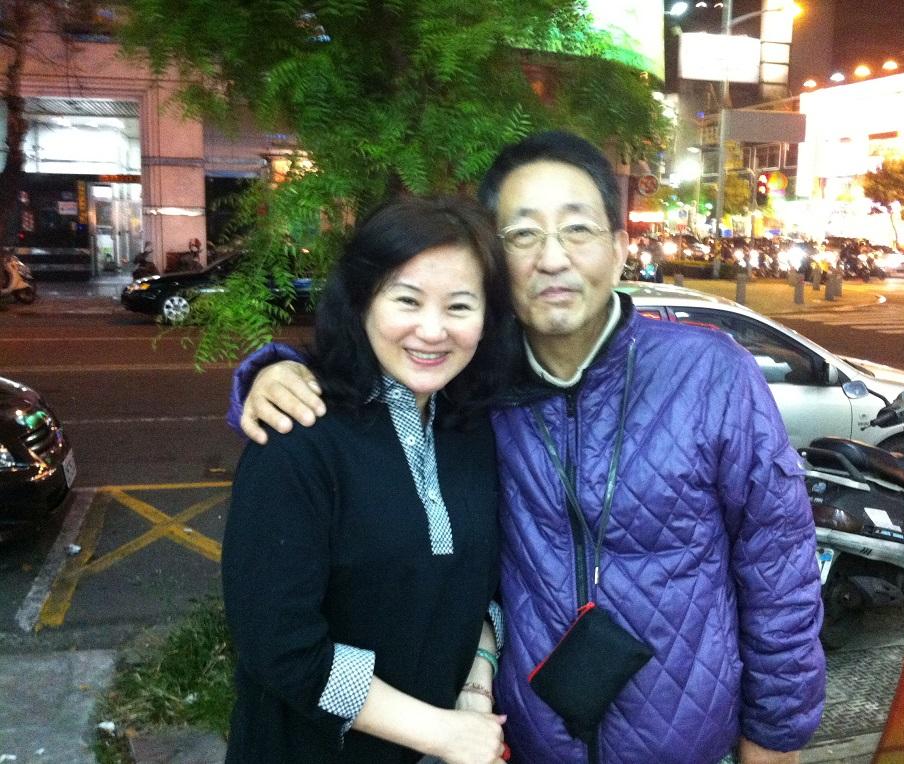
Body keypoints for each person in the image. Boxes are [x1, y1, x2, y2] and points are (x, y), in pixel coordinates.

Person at [229, 131, 826, 764]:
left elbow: (779, 570)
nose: (552, 258)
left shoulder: (708, 374)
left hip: (681, 745)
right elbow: (281, 633)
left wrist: (775, 737)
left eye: (577, 229)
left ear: (621, 248)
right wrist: (268, 373)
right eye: (523, 234)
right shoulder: (481, 390)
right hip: (526, 745)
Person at [222, 196, 517, 763]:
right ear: (361, 301)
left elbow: (477, 590)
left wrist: (475, 690)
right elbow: (279, 644)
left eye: (460, 306)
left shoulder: (472, 432)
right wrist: (439, 732)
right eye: (407, 300)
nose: (432, 330)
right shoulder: (298, 434)